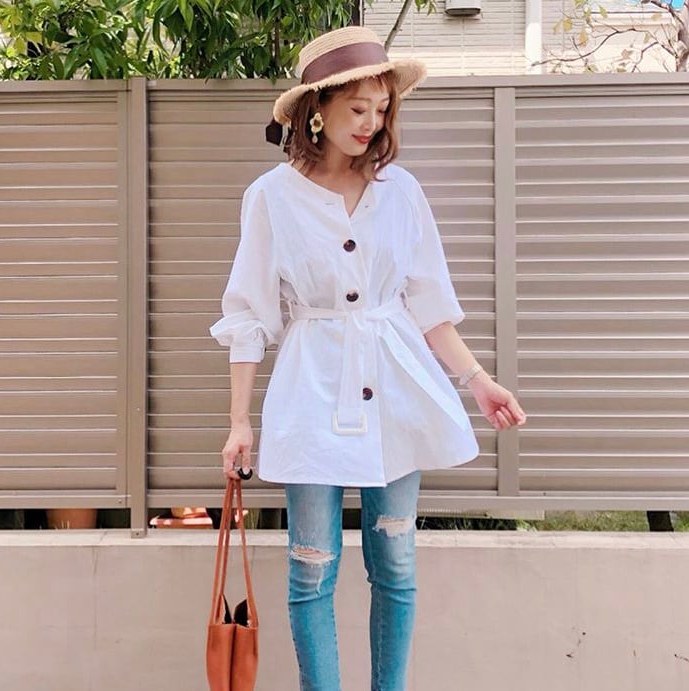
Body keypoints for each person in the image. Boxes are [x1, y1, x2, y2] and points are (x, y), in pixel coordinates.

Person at [209, 25, 526, 691]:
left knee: (397, 563)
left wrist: (478, 380)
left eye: (381, 109)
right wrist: (239, 421)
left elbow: (429, 304)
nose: (371, 123)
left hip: (396, 391)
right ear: (316, 110)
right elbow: (249, 315)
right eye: (358, 108)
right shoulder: (271, 197)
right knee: (311, 568)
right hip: (311, 392)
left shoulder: (400, 191)